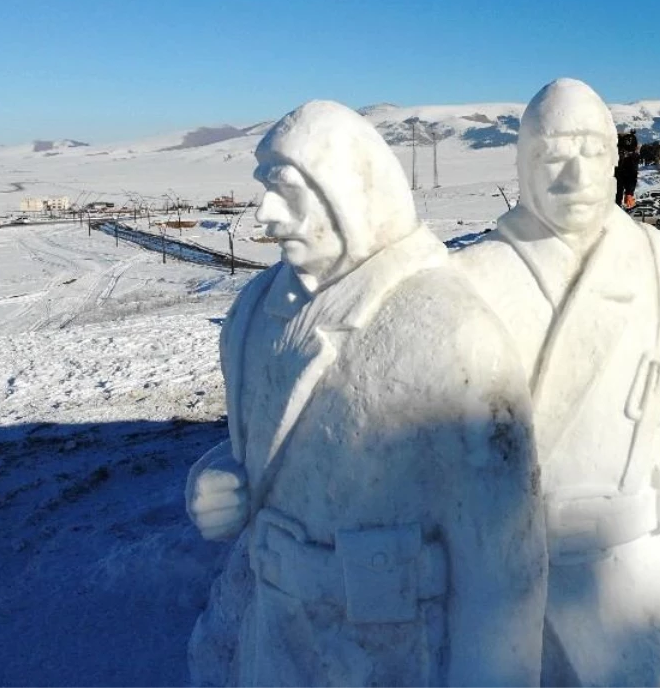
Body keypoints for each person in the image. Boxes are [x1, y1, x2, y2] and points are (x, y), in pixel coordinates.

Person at [185, 100, 546, 688]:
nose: (264, 215)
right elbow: (255, 443)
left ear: (345, 195)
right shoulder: (253, 311)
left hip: (394, 654)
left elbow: (503, 560)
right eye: (264, 190)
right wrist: (221, 479)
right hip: (273, 640)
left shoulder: (448, 327)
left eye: (286, 192)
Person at [454, 79, 660, 688]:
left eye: (590, 150)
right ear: (524, 165)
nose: (575, 175)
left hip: (649, 577)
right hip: (525, 593)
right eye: (553, 153)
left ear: (616, 158)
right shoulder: (471, 281)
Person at [615, 130, 640, 208]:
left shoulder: (630, 160)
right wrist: (629, 193)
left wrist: (629, 193)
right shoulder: (633, 158)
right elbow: (632, 176)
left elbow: (632, 176)